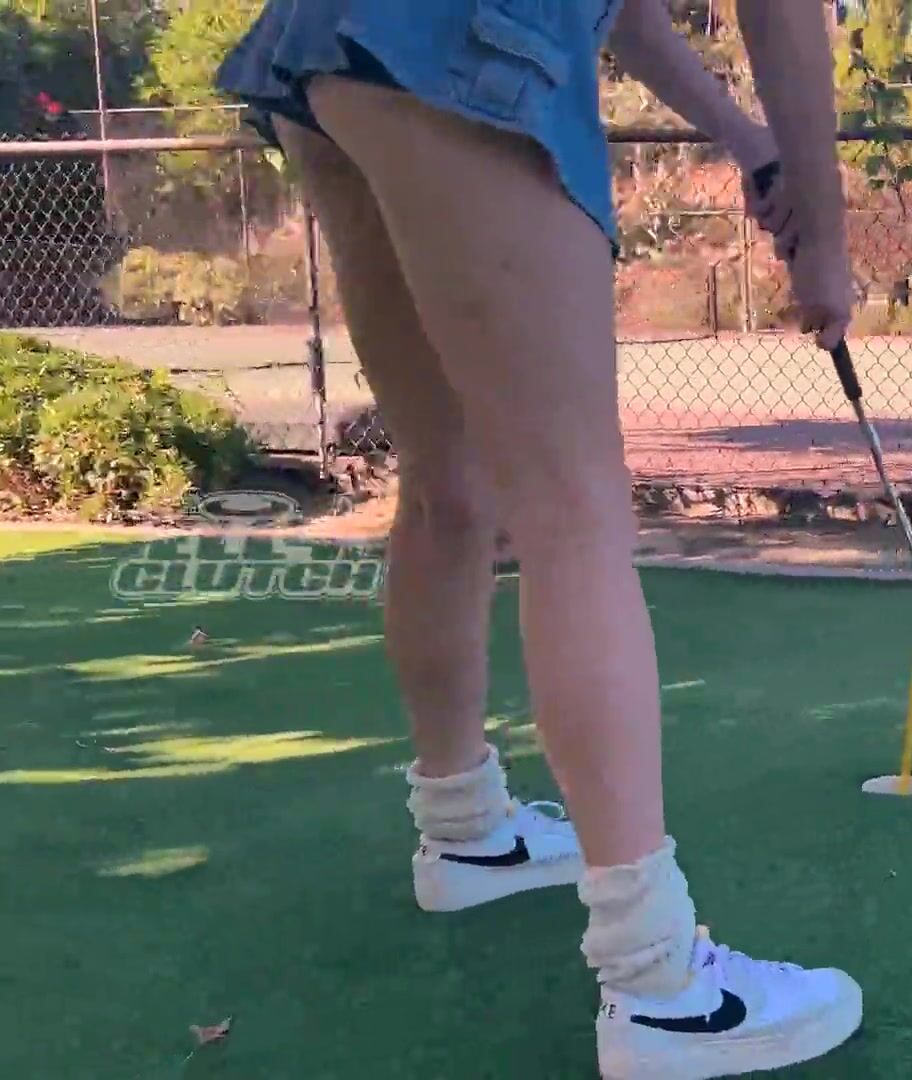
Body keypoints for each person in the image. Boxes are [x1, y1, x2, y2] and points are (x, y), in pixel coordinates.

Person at [214, 3, 858, 1077]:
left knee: (449, 477)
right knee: (574, 507)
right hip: (464, 32)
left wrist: (749, 141)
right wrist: (827, 237)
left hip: (330, 41)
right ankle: (660, 987)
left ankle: (466, 828)